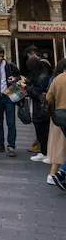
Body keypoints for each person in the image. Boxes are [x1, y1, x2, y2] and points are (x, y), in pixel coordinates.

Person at [24, 57, 52, 162]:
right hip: (39, 109)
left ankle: (44, 152)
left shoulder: (42, 77)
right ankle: (43, 152)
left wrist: (26, 87)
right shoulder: (40, 75)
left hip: (41, 109)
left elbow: (37, 95)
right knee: (41, 131)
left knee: (42, 132)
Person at [46, 57, 66, 190]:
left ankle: (60, 172)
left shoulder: (57, 79)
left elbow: (48, 97)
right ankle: (60, 173)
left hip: (60, 116)